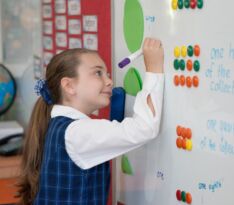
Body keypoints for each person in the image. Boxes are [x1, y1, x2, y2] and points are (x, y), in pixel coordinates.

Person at [17, 38, 164, 205]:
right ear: (69, 86)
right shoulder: (77, 132)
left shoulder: (63, 126)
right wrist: (154, 69)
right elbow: (145, 128)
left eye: (107, 74)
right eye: (98, 73)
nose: (109, 81)